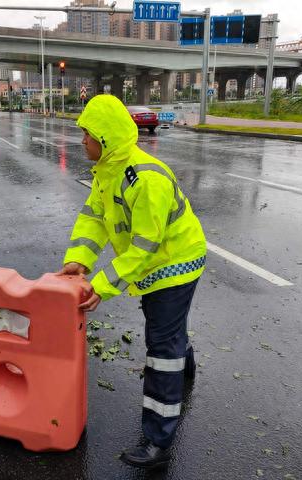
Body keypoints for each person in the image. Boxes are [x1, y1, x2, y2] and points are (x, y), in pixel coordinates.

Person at [58, 94, 206, 469]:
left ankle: (157, 442)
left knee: (161, 350)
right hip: (155, 264)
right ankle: (184, 358)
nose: (82, 142)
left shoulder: (145, 179)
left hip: (176, 264)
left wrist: (101, 287)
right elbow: (93, 218)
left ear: (105, 139)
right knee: (169, 330)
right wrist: (78, 260)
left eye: (87, 135)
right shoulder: (109, 172)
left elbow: (144, 247)